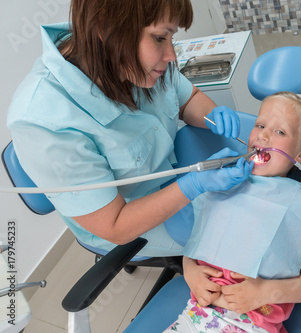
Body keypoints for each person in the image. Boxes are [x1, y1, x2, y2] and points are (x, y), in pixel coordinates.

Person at [6, 0, 253, 257]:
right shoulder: (43, 122)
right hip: (127, 219)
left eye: (171, 36)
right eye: (159, 37)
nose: (171, 55)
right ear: (104, 27)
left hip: (174, 171)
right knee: (239, 240)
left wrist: (211, 115)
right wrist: (193, 186)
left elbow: (187, 99)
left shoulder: (131, 56)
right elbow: (115, 225)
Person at [165, 92, 301, 333]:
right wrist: (189, 270)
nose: (263, 135)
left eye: (280, 132)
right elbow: (196, 243)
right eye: (260, 125)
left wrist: (264, 292)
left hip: (251, 325)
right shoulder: (222, 182)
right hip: (195, 317)